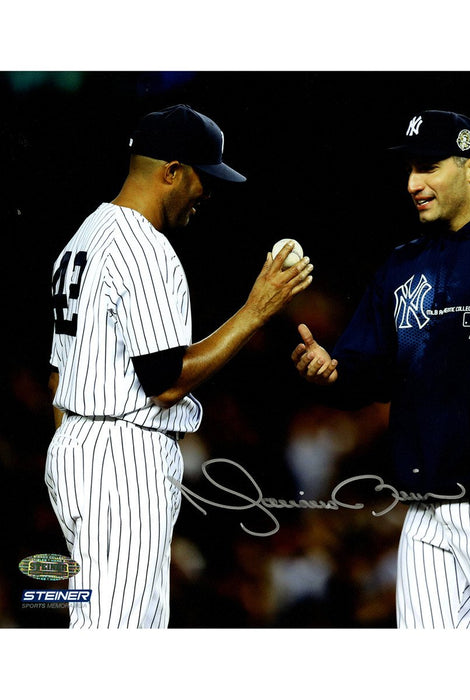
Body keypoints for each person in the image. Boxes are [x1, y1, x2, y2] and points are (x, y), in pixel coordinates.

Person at [45, 104, 313, 628]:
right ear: (170, 171)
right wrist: (256, 309)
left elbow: (58, 376)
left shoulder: (82, 239)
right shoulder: (144, 246)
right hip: (121, 459)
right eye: (201, 176)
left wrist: (76, 456)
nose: (206, 192)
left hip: (78, 449)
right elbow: (165, 384)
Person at [292, 110, 470, 628]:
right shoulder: (402, 263)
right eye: (411, 169)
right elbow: (369, 372)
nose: (414, 183)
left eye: (430, 167)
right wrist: (333, 371)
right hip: (422, 512)